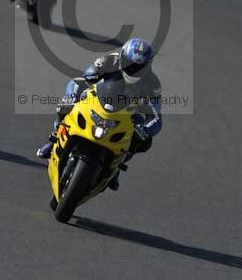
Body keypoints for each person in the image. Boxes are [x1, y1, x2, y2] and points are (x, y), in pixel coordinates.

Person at [36, 38, 162, 190]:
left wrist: (145, 129)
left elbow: (155, 115)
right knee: (67, 103)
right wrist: (73, 95)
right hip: (99, 100)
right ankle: (54, 138)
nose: (132, 69)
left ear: (147, 66)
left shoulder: (153, 83)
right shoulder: (108, 61)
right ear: (122, 56)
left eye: (138, 67)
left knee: (145, 141)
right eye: (130, 64)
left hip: (126, 113)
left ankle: (118, 164)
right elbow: (81, 79)